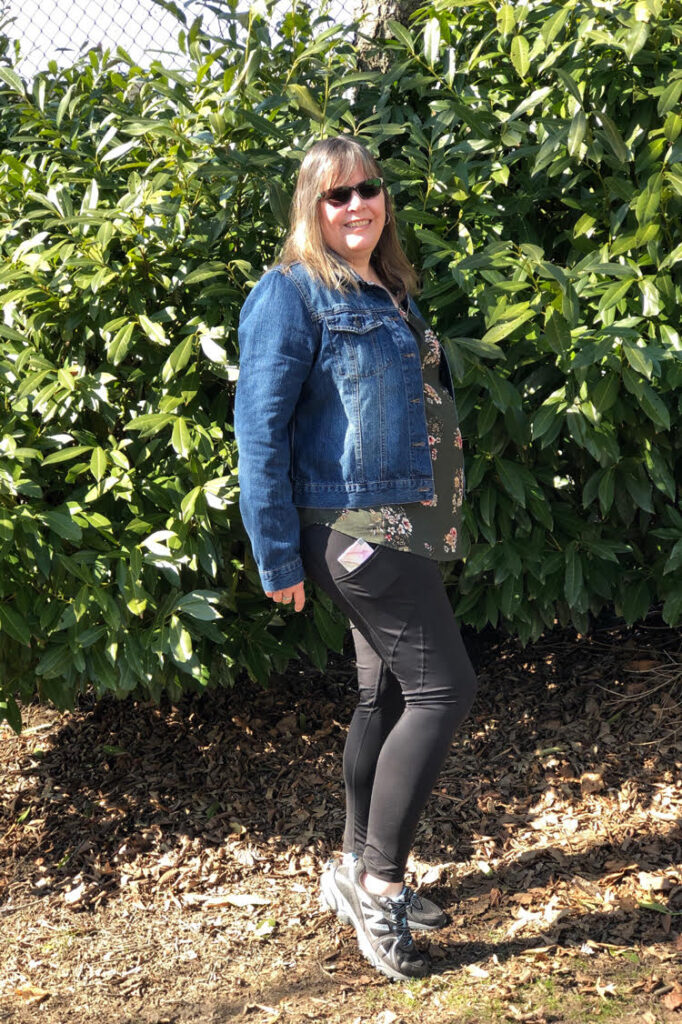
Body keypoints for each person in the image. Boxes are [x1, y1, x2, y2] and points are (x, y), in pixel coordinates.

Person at [234, 136, 477, 981]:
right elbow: (259, 433)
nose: (357, 206)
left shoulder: (388, 286)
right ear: (312, 206)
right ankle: (381, 886)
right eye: (337, 196)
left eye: (368, 190)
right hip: (357, 527)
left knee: (382, 691)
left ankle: (351, 866)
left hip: (403, 520)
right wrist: (276, 555)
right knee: (446, 688)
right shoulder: (290, 292)